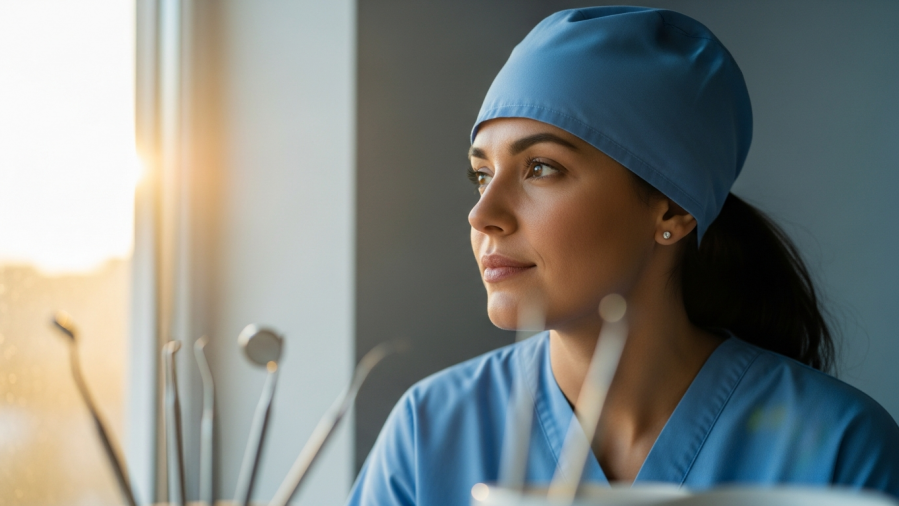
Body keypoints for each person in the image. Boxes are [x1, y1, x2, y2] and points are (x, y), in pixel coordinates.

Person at [346, 6, 899, 506]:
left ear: (671, 210)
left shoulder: (840, 449)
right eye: (482, 174)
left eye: (541, 168)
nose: (482, 214)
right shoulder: (428, 433)